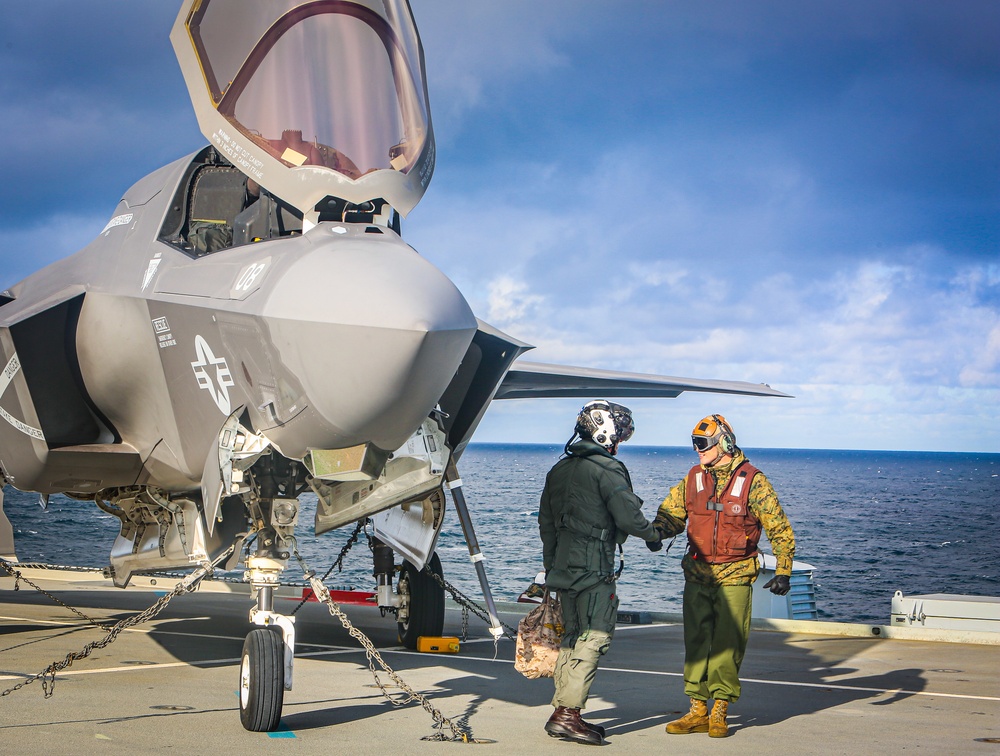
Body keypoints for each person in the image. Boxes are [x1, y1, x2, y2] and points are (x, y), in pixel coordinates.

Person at [653, 414, 795, 739]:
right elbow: (672, 512)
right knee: (696, 642)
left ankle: (720, 708)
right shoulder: (694, 478)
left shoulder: (753, 481)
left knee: (727, 644)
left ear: (724, 443)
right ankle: (697, 710)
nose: (697, 451)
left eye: (702, 444)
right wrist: (656, 532)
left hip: (735, 575)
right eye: (694, 444)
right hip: (698, 575)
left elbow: (778, 527)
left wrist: (783, 570)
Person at [538, 400, 663, 745]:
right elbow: (628, 516)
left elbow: (546, 524)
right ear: (606, 432)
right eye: (620, 433)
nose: (620, 441)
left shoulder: (559, 470)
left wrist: (552, 567)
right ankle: (568, 714)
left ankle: (562, 709)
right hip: (593, 568)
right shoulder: (607, 470)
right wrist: (654, 536)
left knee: (572, 636)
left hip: (563, 567)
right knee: (594, 636)